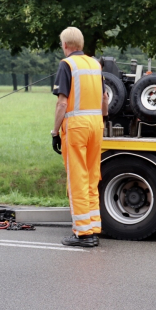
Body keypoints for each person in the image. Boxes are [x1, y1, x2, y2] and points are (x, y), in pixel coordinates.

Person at [51, 27, 108, 247]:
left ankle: (83, 234)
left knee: (77, 179)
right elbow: (104, 99)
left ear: (65, 45)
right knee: (92, 177)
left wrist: (55, 132)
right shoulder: (95, 64)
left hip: (76, 127)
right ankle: (93, 227)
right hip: (96, 125)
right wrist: (102, 119)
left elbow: (62, 103)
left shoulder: (66, 65)